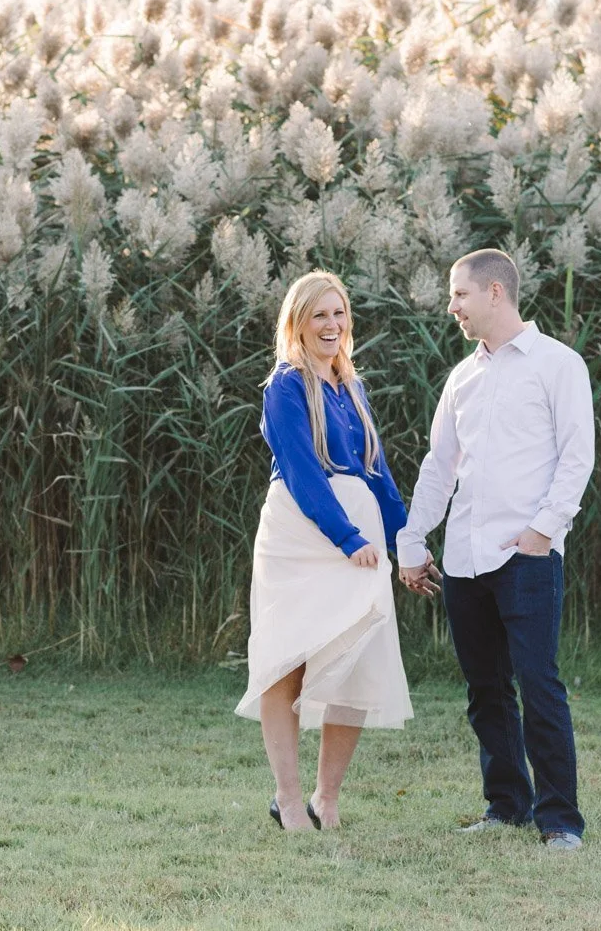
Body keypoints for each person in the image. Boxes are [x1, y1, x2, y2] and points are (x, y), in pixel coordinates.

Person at [397, 248, 594, 851]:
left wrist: (543, 531)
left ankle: (560, 821)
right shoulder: (462, 377)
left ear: (494, 293)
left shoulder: (558, 365)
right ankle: (505, 806)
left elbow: (576, 456)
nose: (451, 306)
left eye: (458, 294)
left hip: (526, 556)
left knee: (539, 686)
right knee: (485, 691)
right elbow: (439, 466)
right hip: (464, 559)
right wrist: (412, 540)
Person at [235, 270, 428, 832]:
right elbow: (300, 471)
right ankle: (289, 801)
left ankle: (327, 798)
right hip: (303, 538)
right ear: (297, 322)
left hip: (362, 541)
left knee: (356, 664)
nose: (331, 324)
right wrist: (347, 538)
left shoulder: (353, 387)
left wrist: (405, 542)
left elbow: (379, 473)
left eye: (339, 313)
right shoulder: (286, 386)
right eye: (319, 314)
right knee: (286, 662)